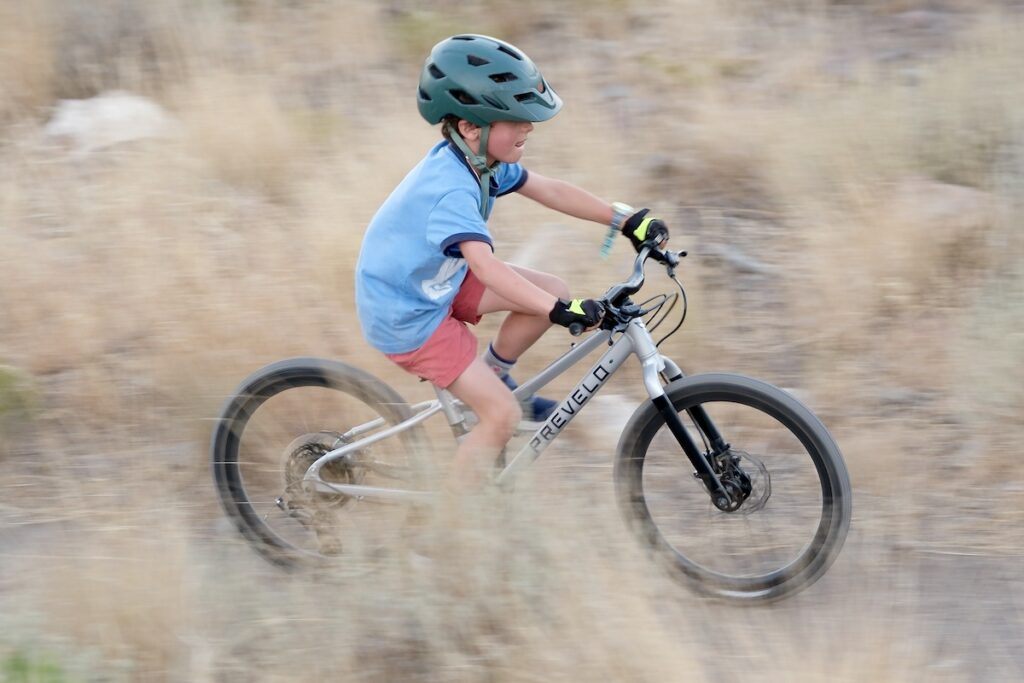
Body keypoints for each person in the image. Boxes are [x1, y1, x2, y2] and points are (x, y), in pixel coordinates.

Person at [355, 34, 669, 491]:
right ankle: (444, 529)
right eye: (515, 119)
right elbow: (486, 268)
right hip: (407, 315)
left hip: (435, 280)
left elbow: (551, 190)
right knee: (500, 417)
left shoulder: (481, 162)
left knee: (553, 289)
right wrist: (558, 313)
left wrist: (626, 219)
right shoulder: (452, 190)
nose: (529, 127)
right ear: (469, 126)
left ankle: (496, 375)